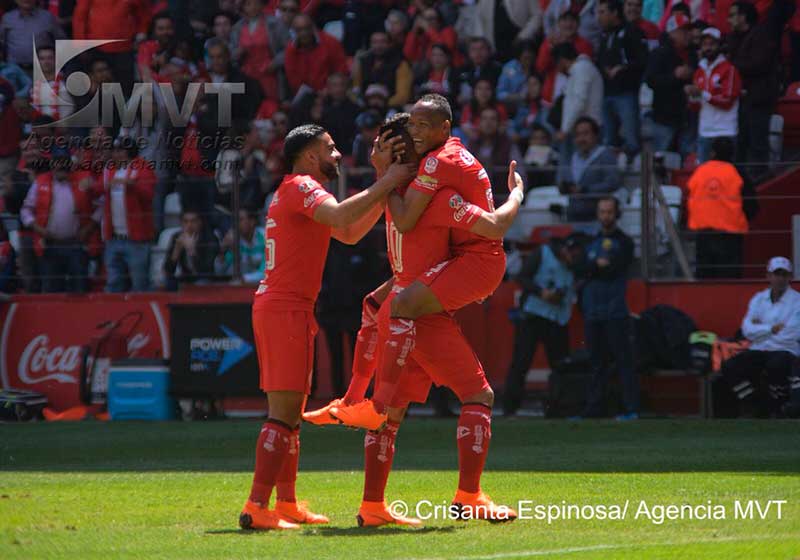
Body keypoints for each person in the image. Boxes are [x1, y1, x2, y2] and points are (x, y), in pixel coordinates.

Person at [305, 112, 526, 525]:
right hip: (417, 314)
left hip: (403, 307)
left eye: (380, 146)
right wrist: (516, 194)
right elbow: (490, 228)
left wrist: (383, 175)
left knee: (390, 416)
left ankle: (372, 505)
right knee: (479, 397)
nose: (373, 151)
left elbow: (364, 241)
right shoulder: (429, 197)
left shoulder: (393, 194)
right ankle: (469, 495)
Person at [238, 124, 415, 531]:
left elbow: (350, 233)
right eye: (330, 148)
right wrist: (388, 179)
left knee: (292, 415)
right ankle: (256, 505)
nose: (337, 155)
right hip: (285, 310)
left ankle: (285, 503)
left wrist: (383, 185)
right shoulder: (302, 185)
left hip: (284, 308)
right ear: (309, 156)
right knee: (282, 416)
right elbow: (341, 216)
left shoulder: (298, 192)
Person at [325, 96, 522, 434]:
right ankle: (353, 401)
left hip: (474, 264)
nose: (415, 133)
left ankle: (375, 406)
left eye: (421, 127)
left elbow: (487, 227)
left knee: (401, 306)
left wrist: (517, 194)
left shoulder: (434, 172)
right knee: (374, 304)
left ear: (444, 128)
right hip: (451, 263)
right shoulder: (437, 167)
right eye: (412, 126)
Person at [502, 235, 580, 415]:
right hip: (533, 315)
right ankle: (510, 407)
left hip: (558, 317)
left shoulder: (575, 264)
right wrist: (541, 292)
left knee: (560, 364)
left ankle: (559, 405)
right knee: (522, 361)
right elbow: (522, 277)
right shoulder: (542, 254)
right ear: (563, 250)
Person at [576, 196, 638, 419]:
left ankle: (630, 409)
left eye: (609, 212)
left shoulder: (625, 242)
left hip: (615, 310)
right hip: (593, 311)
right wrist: (596, 266)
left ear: (617, 214)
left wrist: (593, 268)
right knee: (596, 363)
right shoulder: (590, 240)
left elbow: (615, 268)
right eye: (602, 212)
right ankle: (594, 409)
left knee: (623, 361)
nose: (606, 216)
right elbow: (580, 267)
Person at [719, 257, 800, 417]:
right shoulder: (758, 299)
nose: (780, 278)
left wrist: (760, 331)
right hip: (758, 349)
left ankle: (778, 408)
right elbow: (747, 330)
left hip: (785, 350)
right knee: (730, 366)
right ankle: (753, 402)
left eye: (784, 275)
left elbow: (793, 333)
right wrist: (772, 329)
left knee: (776, 365)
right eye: (777, 274)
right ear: (768, 276)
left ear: (790, 277)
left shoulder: (797, 300)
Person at [727, 0, 795, 180]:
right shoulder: (735, 38)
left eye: (733, 15)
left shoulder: (761, 35)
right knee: (741, 142)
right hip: (742, 100)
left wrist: (733, 66)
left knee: (758, 142)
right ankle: (741, 180)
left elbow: (759, 63)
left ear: (743, 17)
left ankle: (760, 181)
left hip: (759, 98)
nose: (729, 20)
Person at [20, 149, 95, 293]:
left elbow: (101, 204)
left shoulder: (83, 179)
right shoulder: (40, 181)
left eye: (64, 162)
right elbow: (25, 210)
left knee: (79, 290)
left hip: (76, 245)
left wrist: (89, 228)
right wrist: (37, 228)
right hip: (49, 245)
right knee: (51, 290)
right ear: (52, 164)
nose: (61, 166)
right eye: (57, 162)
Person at [686, 137, 753, 278]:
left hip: (704, 233)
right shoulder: (738, 172)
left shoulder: (700, 171)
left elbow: (689, 195)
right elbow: (751, 205)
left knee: (705, 280)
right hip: (731, 235)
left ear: (712, 153)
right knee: (729, 280)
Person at [102, 137, 156, 293]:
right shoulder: (110, 170)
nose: (116, 154)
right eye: (115, 150)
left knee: (140, 283)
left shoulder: (143, 168)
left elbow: (149, 194)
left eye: (120, 150)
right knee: (113, 283)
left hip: (137, 239)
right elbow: (100, 189)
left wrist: (132, 186)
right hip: (114, 237)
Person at [596, 0, 646, 161]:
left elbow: (642, 61)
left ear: (614, 13)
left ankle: (635, 169)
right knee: (609, 139)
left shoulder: (632, 32)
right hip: (607, 92)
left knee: (631, 137)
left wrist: (622, 68)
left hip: (626, 92)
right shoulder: (605, 35)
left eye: (603, 12)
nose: (599, 17)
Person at [686, 27, 741, 163]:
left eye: (712, 44)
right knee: (704, 175)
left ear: (720, 45)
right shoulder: (699, 71)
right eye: (705, 44)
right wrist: (692, 97)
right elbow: (695, 107)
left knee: (726, 176)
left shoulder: (729, 70)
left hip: (725, 131)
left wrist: (702, 94)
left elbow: (727, 101)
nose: (708, 48)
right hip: (704, 131)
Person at [644, 13, 695, 153]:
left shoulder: (692, 53)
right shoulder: (659, 53)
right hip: (664, 118)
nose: (688, 34)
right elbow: (651, 80)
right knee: (662, 160)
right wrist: (674, 76)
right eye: (683, 30)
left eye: (688, 30)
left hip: (687, 117)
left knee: (686, 160)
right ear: (672, 33)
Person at [559, 116, 620, 222]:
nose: (581, 139)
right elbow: (560, 179)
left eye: (586, 134)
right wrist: (566, 187)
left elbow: (612, 182)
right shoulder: (571, 157)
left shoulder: (605, 155)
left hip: (598, 216)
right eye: (578, 135)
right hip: (573, 214)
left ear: (595, 135)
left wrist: (586, 189)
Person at [552, 44, 604, 152]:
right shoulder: (578, 70)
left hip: (586, 128)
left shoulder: (581, 69)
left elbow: (579, 101)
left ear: (561, 61)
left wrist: (565, 130)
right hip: (577, 127)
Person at [283, 14, 348, 95]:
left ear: (313, 27)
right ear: (293, 31)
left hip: (331, 93)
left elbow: (341, 71)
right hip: (306, 96)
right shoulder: (290, 50)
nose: (304, 33)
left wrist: (328, 90)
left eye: (307, 28)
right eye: (299, 30)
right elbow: (293, 80)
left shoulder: (330, 42)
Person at [353, 31, 413, 109]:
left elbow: (402, 96)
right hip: (365, 106)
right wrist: (365, 103)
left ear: (390, 44)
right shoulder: (363, 61)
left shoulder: (400, 64)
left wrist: (383, 104)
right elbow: (355, 89)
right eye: (375, 42)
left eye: (382, 42)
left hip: (392, 107)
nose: (378, 46)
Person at [164, 209, 220, 290]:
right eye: (185, 221)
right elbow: (168, 271)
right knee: (168, 282)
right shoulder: (177, 237)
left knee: (201, 283)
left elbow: (206, 270)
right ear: (181, 223)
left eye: (193, 221)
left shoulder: (210, 238)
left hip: (206, 279)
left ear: (200, 222)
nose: (189, 225)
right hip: (186, 278)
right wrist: (176, 251)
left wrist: (191, 250)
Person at [0, 0, 66, 68]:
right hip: (13, 70)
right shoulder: (7, 18)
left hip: (42, 69)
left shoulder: (47, 17)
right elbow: (1, 43)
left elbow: (62, 42)